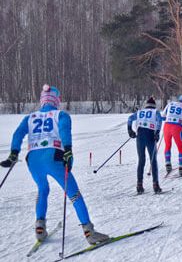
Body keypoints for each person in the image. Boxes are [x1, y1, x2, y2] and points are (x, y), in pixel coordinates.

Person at [0, 85, 109, 244]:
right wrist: (68, 151)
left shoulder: (30, 117)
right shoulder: (61, 115)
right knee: (74, 194)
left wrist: (13, 154)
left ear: (42, 101)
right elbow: (65, 132)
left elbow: (18, 134)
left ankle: (40, 228)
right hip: (53, 156)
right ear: (56, 100)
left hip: (33, 159)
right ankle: (89, 232)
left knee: (42, 189)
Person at [127, 97, 163, 194]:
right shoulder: (156, 112)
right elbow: (159, 122)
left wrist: (130, 130)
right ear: (154, 105)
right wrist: (157, 133)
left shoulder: (139, 112)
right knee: (153, 160)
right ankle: (155, 185)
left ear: (146, 105)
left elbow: (130, 119)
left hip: (140, 136)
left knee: (141, 160)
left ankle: (139, 185)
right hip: (150, 135)